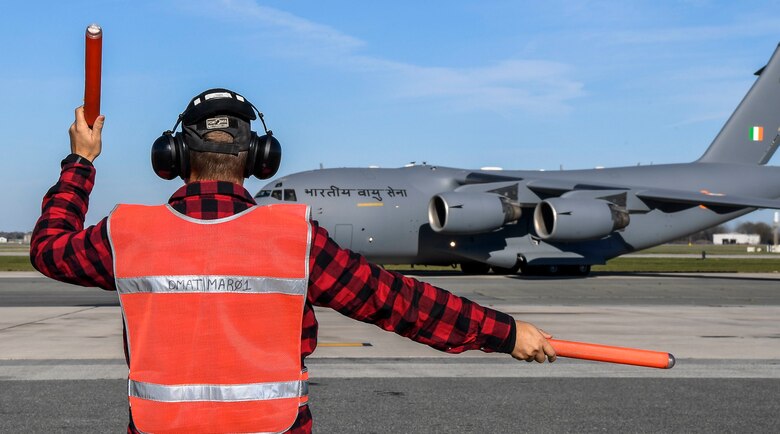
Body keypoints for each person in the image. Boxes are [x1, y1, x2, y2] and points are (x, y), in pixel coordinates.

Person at [31, 88, 556, 433]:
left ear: (173, 159)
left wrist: (81, 159)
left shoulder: (127, 233)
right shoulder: (294, 236)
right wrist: (504, 332)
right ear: (259, 160)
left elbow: (48, 247)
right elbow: (395, 302)